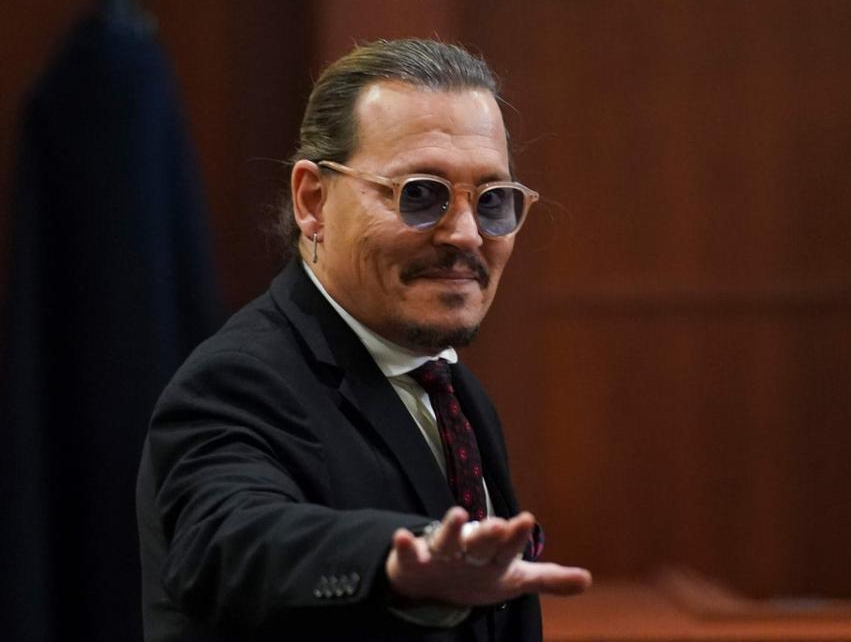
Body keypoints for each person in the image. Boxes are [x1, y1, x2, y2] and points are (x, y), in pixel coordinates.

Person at [137, 38, 591, 642]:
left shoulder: (451, 389)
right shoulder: (239, 379)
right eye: (420, 194)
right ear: (313, 202)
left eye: (493, 201)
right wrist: (397, 560)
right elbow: (230, 538)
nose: (466, 235)